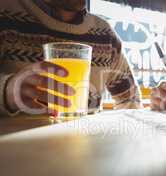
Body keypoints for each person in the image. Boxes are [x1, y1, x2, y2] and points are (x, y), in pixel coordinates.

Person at [0, 0, 141, 116]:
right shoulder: (4, 11)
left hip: (86, 147)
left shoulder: (106, 34)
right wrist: (6, 91)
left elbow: (130, 99)